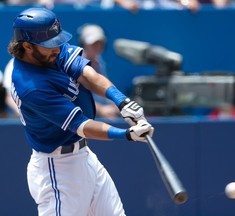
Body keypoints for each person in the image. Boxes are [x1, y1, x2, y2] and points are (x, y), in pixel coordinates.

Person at [8, 7, 154, 216]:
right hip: (57, 170)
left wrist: (122, 102)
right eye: (49, 45)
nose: (57, 49)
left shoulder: (48, 51)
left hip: (84, 158)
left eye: (57, 42)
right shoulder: (30, 86)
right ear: (27, 46)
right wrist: (127, 134)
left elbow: (86, 75)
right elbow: (82, 125)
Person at [78, 23, 120, 118]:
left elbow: (103, 88)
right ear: (84, 44)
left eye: (100, 43)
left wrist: (116, 104)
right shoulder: (77, 64)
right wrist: (101, 110)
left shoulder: (100, 62)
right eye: (93, 43)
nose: (97, 46)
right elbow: (76, 97)